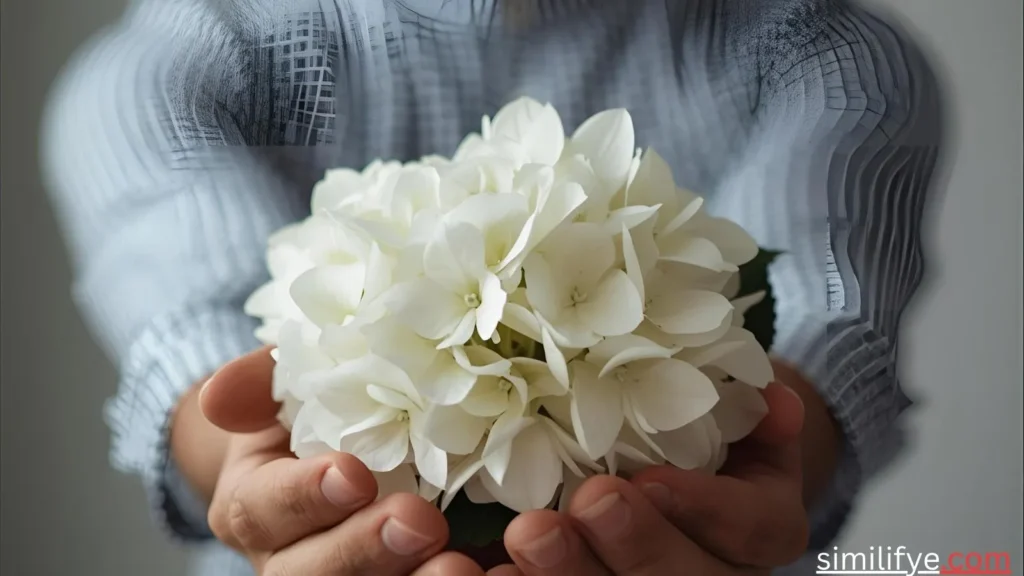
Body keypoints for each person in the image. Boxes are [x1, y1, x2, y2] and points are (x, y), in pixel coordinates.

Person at [41, 0, 944, 574]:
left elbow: (819, 333)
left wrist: (781, 454)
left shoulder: (821, 60)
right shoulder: (182, 65)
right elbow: (204, 340)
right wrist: (249, 465)